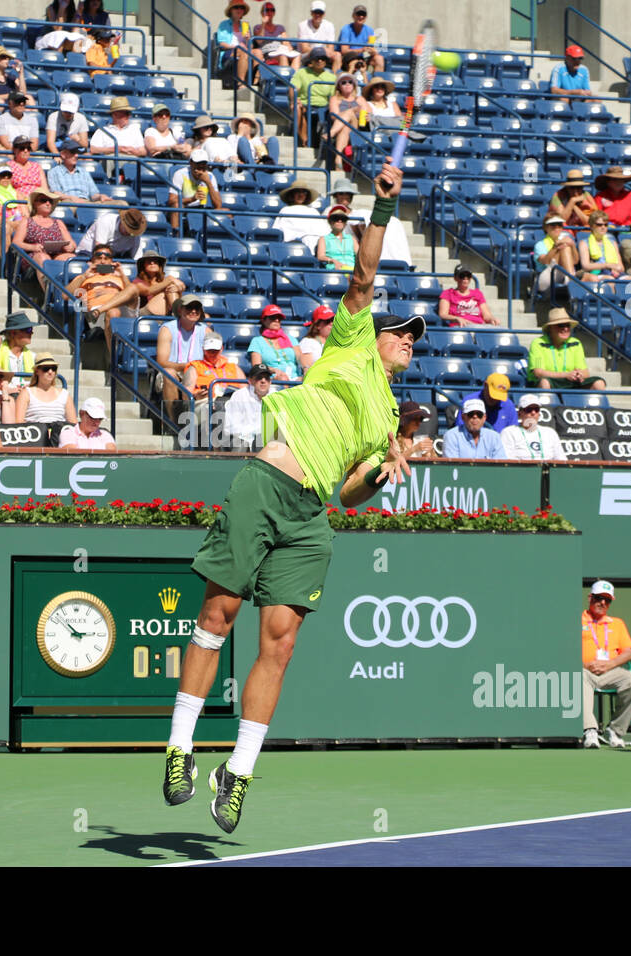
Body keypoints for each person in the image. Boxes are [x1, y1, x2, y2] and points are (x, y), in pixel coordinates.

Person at [162, 161, 417, 834]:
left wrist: (383, 474)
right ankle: (180, 749)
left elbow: (355, 495)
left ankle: (237, 773)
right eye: (402, 329)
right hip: (265, 484)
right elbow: (362, 278)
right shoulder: (351, 343)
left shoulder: (391, 417)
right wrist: (383, 209)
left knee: (280, 644)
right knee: (218, 614)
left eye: (416, 335)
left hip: (312, 517)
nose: (409, 340)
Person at [579, 581, 631, 749]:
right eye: (599, 598)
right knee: (578, 676)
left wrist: (609, 664)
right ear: (590, 597)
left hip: (610, 671)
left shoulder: (617, 623)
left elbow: (628, 653)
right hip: (585, 671)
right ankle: (589, 730)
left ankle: (614, 730)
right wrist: (585, 665)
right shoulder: (576, 620)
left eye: (607, 600)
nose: (603, 603)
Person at [155, 293, 207, 417]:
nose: (193, 311)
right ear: (180, 310)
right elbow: (161, 362)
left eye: (197, 308)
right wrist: (187, 366)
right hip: (175, 369)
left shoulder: (205, 330)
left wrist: (193, 369)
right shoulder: (167, 329)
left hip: (196, 371)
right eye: (189, 308)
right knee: (169, 373)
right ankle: (174, 424)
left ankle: (198, 422)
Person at [527, 310, 605, 391]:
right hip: (549, 382)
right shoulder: (538, 344)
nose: (565, 329)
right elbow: (538, 372)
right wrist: (566, 375)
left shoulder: (575, 343)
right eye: (561, 325)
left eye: (568, 325)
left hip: (570, 382)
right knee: (545, 383)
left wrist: (579, 375)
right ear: (550, 328)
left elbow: (585, 373)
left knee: (599, 383)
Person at [67, 243, 129, 343]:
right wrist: (84, 277)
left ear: (111, 261)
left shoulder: (120, 278)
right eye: (99, 257)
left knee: (114, 311)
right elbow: (65, 295)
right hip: (95, 316)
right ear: (92, 260)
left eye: (107, 258)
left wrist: (122, 275)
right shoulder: (84, 278)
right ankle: (113, 356)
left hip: (121, 312)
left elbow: (133, 295)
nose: (103, 261)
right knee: (113, 312)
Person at [10, 186, 75, 270]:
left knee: (70, 258)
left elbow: (71, 243)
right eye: (43, 200)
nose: (48, 203)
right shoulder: (27, 221)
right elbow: (16, 242)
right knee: (43, 258)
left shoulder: (58, 223)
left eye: (50, 201)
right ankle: (48, 283)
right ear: (35, 203)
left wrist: (70, 247)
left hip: (56, 254)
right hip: (35, 256)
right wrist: (33, 247)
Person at [182, 333, 244, 420]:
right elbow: (185, 396)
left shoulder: (233, 367)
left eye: (215, 350)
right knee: (221, 405)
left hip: (231, 402)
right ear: (203, 349)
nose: (212, 353)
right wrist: (196, 396)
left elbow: (246, 391)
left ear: (222, 349)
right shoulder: (195, 367)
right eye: (209, 350)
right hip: (204, 403)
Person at [290, 48, 336, 147]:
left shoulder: (331, 77)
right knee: (297, 108)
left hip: (324, 107)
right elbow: (293, 88)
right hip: (305, 104)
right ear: (311, 60)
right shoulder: (302, 72)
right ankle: (305, 140)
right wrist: (294, 100)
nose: (319, 61)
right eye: (316, 58)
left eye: (322, 58)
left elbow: (334, 97)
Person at [221, 362, 272, 449]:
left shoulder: (275, 396)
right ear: (250, 381)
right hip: (242, 440)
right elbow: (230, 427)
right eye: (259, 378)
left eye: (266, 378)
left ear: (270, 382)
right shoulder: (239, 395)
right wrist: (252, 435)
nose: (263, 381)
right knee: (241, 444)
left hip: (267, 442)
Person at [47, 142, 116, 205]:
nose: (76, 155)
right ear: (63, 154)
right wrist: (71, 198)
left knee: (121, 203)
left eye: (77, 152)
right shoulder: (53, 172)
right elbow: (56, 193)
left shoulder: (84, 172)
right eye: (73, 152)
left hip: (86, 202)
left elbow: (94, 195)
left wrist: (101, 196)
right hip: (68, 202)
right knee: (69, 204)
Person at [501, 394, 566, 461]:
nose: (533, 413)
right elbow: (508, 462)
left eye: (536, 409)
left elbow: (561, 460)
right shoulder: (509, 432)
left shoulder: (550, 433)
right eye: (529, 409)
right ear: (519, 413)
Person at [248, 303, 303, 382]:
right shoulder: (257, 341)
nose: (277, 320)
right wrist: (273, 370)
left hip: (295, 378)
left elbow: (301, 358)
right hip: (272, 379)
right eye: (273, 318)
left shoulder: (290, 339)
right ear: (264, 320)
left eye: (279, 318)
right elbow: (257, 367)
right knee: (283, 379)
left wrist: (306, 369)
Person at [14, 353, 75, 423]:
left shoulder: (65, 394)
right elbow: (18, 423)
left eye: (53, 368)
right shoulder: (26, 394)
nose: (50, 371)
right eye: (46, 368)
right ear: (37, 371)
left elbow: (73, 424)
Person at [122, 251, 186, 316]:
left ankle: (177, 314)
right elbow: (148, 291)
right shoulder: (137, 282)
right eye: (149, 261)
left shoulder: (165, 281)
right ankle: (179, 316)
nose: (152, 263)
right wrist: (170, 279)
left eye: (155, 261)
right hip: (145, 314)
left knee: (172, 288)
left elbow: (181, 287)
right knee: (167, 290)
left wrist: (178, 288)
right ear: (143, 265)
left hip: (165, 312)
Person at [75, 207, 147, 259]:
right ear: (122, 222)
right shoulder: (105, 221)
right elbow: (100, 254)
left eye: (132, 232)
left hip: (114, 257)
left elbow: (137, 259)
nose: (130, 234)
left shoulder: (135, 235)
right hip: (89, 254)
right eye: (128, 230)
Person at [326, 73, 366, 166]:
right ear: (339, 86)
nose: (347, 84)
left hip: (357, 127)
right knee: (345, 127)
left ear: (354, 85)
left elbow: (367, 115)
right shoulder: (335, 99)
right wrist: (352, 111)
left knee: (349, 113)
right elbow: (334, 116)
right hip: (343, 127)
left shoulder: (359, 99)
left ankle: (331, 133)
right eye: (343, 82)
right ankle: (338, 159)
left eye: (350, 82)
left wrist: (352, 112)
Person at [272, 179, 325, 247]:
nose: (300, 195)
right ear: (292, 195)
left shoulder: (313, 212)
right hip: (289, 246)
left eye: (303, 192)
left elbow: (322, 232)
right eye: (297, 192)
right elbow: (277, 230)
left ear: (307, 195)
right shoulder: (285, 211)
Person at [533, 214, 578, 294]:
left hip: (563, 274)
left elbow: (575, 261)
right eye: (553, 225)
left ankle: (572, 282)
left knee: (565, 248)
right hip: (546, 277)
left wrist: (572, 245)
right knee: (564, 248)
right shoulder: (539, 245)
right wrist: (555, 247)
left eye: (559, 225)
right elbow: (545, 261)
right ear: (546, 227)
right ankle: (573, 282)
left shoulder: (565, 242)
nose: (557, 228)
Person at [578, 211, 626, 282]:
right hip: (596, 273)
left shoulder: (613, 243)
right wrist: (607, 265)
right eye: (599, 225)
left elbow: (621, 267)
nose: (603, 227)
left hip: (614, 273)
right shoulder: (584, 243)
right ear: (592, 226)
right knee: (609, 279)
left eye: (606, 225)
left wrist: (617, 269)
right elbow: (586, 266)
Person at [0, 311, 37, 378]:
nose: (31, 333)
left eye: (31, 329)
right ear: (13, 333)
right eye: (28, 330)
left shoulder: (34, 357)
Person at [337, 5, 383, 73]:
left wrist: (372, 51)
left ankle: (378, 82)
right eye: (358, 14)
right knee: (354, 62)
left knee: (379, 58)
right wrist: (361, 50)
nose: (361, 17)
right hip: (348, 58)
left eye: (363, 14)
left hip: (363, 58)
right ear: (353, 16)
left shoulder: (370, 30)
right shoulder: (345, 29)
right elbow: (344, 50)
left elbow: (371, 47)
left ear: (366, 17)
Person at [251, 2, 296, 72]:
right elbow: (259, 41)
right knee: (282, 56)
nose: (270, 12)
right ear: (262, 13)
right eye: (267, 10)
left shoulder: (280, 28)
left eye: (272, 10)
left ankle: (294, 80)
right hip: (268, 53)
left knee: (297, 56)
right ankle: (285, 81)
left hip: (280, 50)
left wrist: (289, 48)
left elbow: (286, 42)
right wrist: (263, 24)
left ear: (274, 13)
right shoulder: (258, 27)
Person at [215, 2, 251, 85]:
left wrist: (248, 40)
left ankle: (257, 81)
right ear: (231, 10)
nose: (239, 10)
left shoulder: (245, 25)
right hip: (229, 52)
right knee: (243, 50)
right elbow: (222, 44)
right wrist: (236, 47)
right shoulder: (224, 24)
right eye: (236, 7)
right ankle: (241, 82)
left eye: (241, 8)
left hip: (244, 51)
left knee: (258, 52)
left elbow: (250, 46)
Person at [297, 2, 339, 71]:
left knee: (338, 55)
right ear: (311, 13)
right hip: (307, 55)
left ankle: (334, 79)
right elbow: (304, 49)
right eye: (315, 12)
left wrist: (321, 52)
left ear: (324, 14)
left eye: (320, 13)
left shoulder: (329, 25)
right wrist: (321, 51)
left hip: (323, 55)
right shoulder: (303, 25)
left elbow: (331, 48)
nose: (318, 15)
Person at [316, 204, 356, 271]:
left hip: (353, 270)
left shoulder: (351, 238)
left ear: (345, 223)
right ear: (330, 222)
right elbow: (320, 256)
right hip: (334, 271)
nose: (340, 221)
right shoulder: (323, 239)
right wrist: (333, 261)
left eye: (343, 219)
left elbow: (359, 255)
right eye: (336, 218)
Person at [298, 305, 333, 371]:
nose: (332, 324)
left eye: (333, 320)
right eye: (327, 321)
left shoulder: (336, 343)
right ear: (317, 325)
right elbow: (307, 371)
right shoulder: (308, 342)